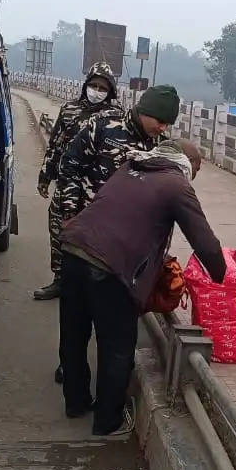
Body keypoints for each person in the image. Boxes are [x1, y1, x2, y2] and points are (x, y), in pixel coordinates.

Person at [58, 139, 226, 435]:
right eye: (197, 169)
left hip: (73, 249)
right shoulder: (176, 185)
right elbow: (205, 243)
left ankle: (76, 403)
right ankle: (108, 421)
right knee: (117, 346)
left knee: (74, 334)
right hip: (111, 268)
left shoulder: (128, 166)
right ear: (188, 163)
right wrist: (223, 277)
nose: (195, 175)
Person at [48, 83, 178, 384]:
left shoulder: (158, 146)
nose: (163, 127)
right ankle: (70, 368)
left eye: (168, 123)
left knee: (114, 316)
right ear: (145, 111)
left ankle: (114, 375)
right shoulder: (102, 125)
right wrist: (70, 214)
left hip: (124, 246)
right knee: (76, 317)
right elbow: (70, 166)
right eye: (160, 120)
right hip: (85, 234)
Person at [34, 62, 120, 301]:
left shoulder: (116, 117)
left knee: (94, 239)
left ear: (110, 90)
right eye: (93, 85)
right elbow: (56, 144)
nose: (96, 90)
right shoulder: (70, 110)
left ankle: (91, 288)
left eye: (102, 87)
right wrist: (45, 175)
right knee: (59, 230)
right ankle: (60, 281)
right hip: (66, 184)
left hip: (97, 190)